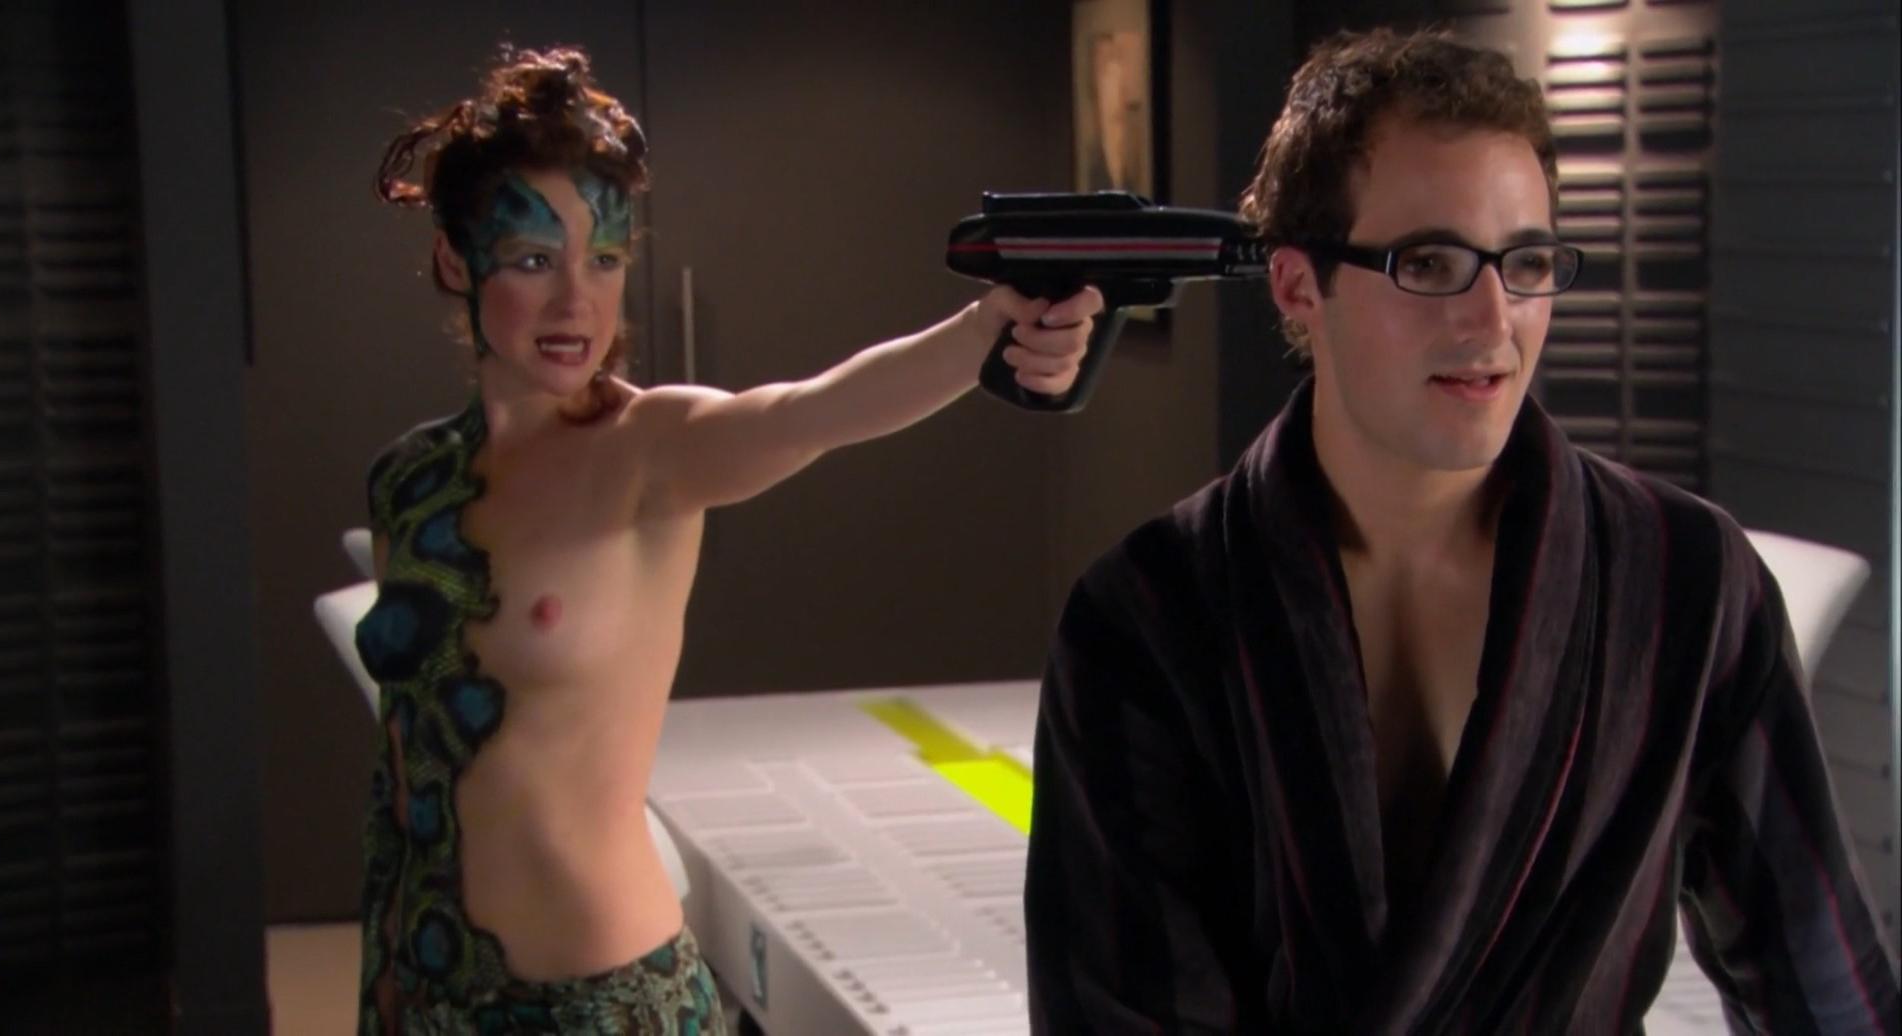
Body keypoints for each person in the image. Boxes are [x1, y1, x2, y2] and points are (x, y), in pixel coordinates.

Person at [1023, 27, 1898, 1034]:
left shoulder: (1685, 582)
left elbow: (1825, 991)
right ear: (1299, 283)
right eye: (1428, 261)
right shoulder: (1147, 616)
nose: (1492, 320)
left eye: (1525, 261)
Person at [353, 45, 1099, 1033]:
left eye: (604, 259)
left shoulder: (650, 448)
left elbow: (813, 410)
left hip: (604, 1006)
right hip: (427, 989)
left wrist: (982, 334)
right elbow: (407, 774)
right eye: (535, 260)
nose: (577, 302)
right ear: (457, 259)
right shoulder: (409, 480)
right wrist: (385, 991)